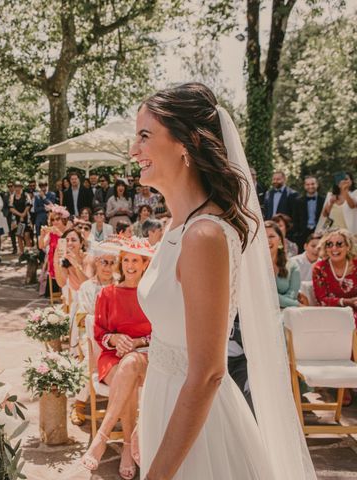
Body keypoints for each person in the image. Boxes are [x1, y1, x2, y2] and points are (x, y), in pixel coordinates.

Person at [130, 83, 315, 479]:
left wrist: (157, 475)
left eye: (145, 136)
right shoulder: (178, 227)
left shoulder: (204, 236)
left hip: (202, 430)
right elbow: (168, 339)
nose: (134, 150)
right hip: (166, 405)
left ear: (185, 143)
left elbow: (208, 372)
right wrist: (145, 420)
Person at [82, 238, 154, 479]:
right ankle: (126, 447)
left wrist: (137, 342)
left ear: (145, 264)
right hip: (112, 358)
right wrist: (115, 339)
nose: (130, 265)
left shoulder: (152, 295)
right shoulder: (107, 293)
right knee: (128, 377)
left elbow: (163, 332)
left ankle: (101, 438)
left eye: (135, 260)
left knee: (132, 363)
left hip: (146, 356)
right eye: (126, 260)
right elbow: (99, 332)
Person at [69, 246, 118, 426]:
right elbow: (83, 316)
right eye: (104, 262)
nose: (108, 267)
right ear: (97, 262)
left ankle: (125, 402)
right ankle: (79, 403)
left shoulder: (120, 283)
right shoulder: (87, 287)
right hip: (92, 335)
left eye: (112, 263)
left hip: (118, 335)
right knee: (89, 360)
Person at [313, 228, 357, 324]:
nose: (334, 248)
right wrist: (346, 301)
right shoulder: (319, 268)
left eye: (339, 244)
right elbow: (322, 300)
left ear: (348, 246)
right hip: (330, 312)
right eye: (329, 244)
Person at [265, 220, 301, 308]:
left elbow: (292, 296)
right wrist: (298, 305)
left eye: (271, 236)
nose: (267, 240)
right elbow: (261, 295)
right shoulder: (254, 265)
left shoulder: (293, 265)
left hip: (286, 312)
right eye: (263, 236)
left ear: (280, 240)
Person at [293, 176, 323, 250]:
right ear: (304, 186)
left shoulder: (324, 200)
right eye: (307, 184)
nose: (310, 186)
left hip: (319, 233)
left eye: (312, 184)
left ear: (317, 184)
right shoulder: (298, 201)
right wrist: (297, 234)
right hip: (303, 234)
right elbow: (295, 218)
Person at [9, 182, 31, 256]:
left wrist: (23, 214)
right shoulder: (12, 196)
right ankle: (22, 253)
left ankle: (28, 253)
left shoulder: (26, 195)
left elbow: (28, 205)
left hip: (26, 217)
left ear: (21, 187)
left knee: (26, 235)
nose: (17, 188)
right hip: (17, 219)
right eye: (16, 187)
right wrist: (20, 215)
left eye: (19, 187)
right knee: (19, 236)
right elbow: (11, 208)